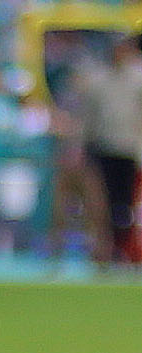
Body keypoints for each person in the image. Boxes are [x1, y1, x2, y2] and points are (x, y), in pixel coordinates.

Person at [57, 30, 142, 269]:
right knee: (101, 204)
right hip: (103, 149)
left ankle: (125, 249)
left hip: (130, 149)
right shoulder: (98, 80)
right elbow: (87, 119)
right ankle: (106, 250)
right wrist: (78, 147)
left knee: (126, 204)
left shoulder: (137, 79)